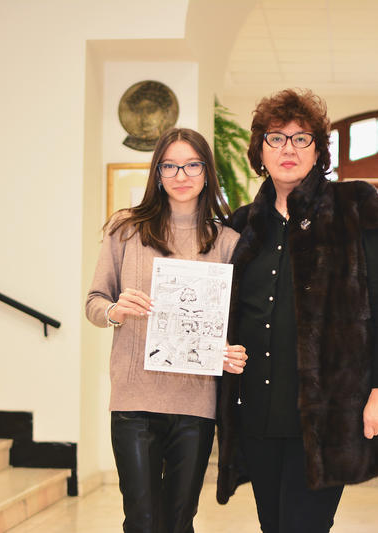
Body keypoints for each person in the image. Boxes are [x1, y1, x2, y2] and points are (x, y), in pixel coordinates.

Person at [216, 89, 378, 533]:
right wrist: (219, 349)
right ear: (259, 152)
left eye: (301, 139)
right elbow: (222, 312)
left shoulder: (354, 208)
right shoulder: (241, 227)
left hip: (328, 412)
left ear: (319, 151)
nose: (288, 149)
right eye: (276, 139)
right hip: (257, 411)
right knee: (273, 525)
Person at [86, 127, 248, 533]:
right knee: (140, 522)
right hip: (134, 402)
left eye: (192, 165)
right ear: (157, 173)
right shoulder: (125, 229)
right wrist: (115, 310)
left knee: (178, 522)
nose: (181, 174)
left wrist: (231, 351)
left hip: (194, 404)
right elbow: (94, 302)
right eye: (171, 165)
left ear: (207, 173)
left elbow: (235, 320)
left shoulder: (227, 241)